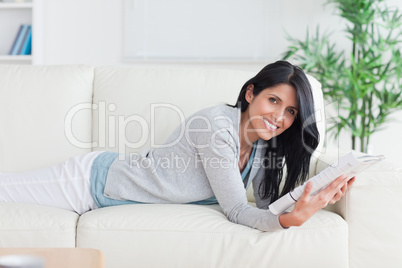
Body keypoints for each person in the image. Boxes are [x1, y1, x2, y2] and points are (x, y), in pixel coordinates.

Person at [0, 61, 354, 232]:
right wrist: (292, 220)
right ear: (250, 94)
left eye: (290, 111)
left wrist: (317, 196)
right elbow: (237, 211)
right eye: (273, 101)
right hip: (89, 182)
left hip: (102, 192)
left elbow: (264, 206)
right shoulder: (216, 127)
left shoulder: (263, 145)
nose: (279, 117)